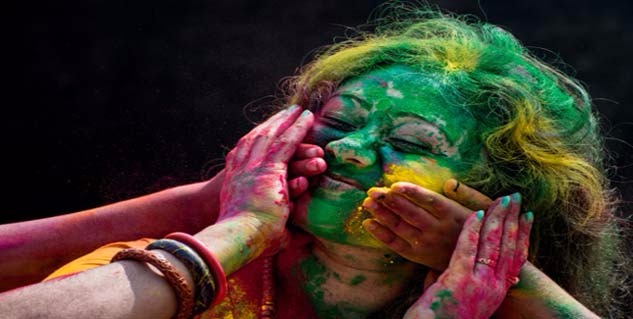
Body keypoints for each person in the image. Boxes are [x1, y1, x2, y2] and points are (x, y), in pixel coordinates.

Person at [0, 6, 628, 318]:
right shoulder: (136, 282)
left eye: (411, 142)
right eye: (341, 122)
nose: (349, 150)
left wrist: (507, 273)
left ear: (489, 197)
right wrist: (227, 218)